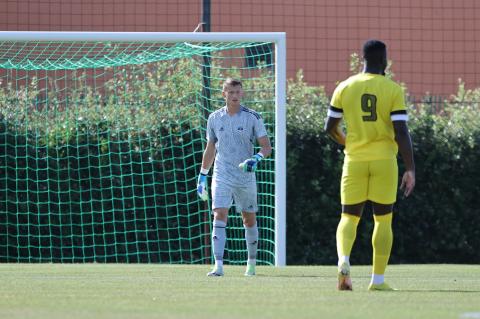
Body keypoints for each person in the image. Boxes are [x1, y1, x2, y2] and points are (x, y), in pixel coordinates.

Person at [324, 40, 415, 291]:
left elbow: (329, 127)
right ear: (384, 61)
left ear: (361, 59)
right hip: (384, 161)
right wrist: (411, 168)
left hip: (354, 160)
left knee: (348, 217)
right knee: (383, 221)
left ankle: (343, 260)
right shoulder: (392, 89)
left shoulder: (345, 86)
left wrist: (346, 143)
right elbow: (401, 131)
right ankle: (377, 281)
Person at [197, 78, 272, 277]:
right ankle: (218, 266)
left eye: (238, 92)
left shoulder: (253, 117)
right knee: (219, 213)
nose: (234, 95)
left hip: (245, 176)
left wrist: (256, 158)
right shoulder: (214, 118)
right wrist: (202, 176)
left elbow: (266, 147)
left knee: (248, 219)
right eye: (230, 92)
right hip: (222, 174)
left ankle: (252, 264)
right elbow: (210, 147)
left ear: (242, 93)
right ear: (224, 94)